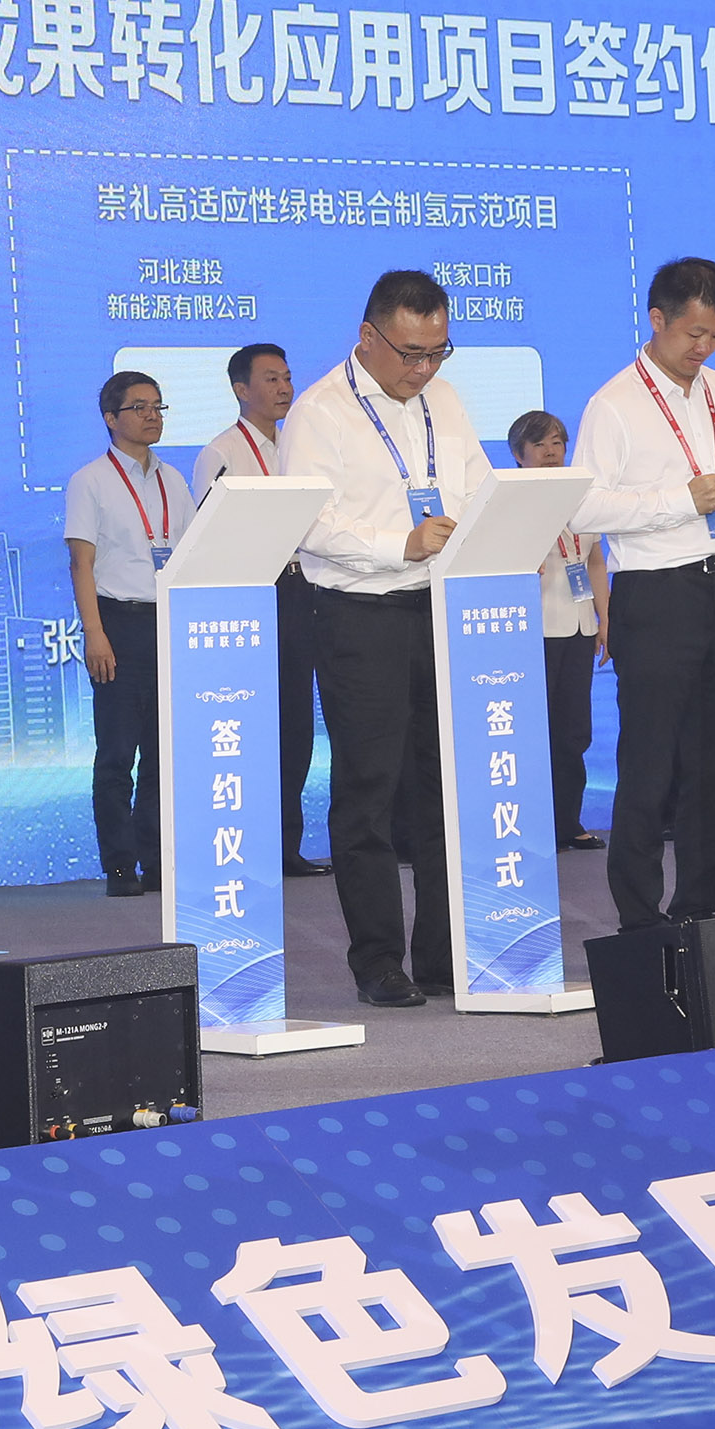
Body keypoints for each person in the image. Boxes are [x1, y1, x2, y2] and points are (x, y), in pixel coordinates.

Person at [282, 271, 492, 1005]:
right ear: (368, 336)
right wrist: (397, 544)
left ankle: (440, 951)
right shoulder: (319, 412)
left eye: (438, 352)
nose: (424, 368)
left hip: (441, 609)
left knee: (442, 786)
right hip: (358, 614)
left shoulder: (446, 400)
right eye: (410, 353)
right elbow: (309, 521)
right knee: (368, 790)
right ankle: (376, 960)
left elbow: (478, 485)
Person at [573, 257, 715, 932]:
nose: (704, 348)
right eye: (694, 333)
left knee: (713, 762)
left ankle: (700, 907)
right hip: (655, 595)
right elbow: (585, 506)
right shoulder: (614, 403)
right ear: (657, 319)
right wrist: (677, 501)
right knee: (650, 762)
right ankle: (639, 915)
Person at [190, 342, 327, 877]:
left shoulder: (302, 446)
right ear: (240, 389)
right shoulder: (221, 453)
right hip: (251, 592)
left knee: (296, 721)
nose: (285, 388)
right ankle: (247, 844)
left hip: (304, 587)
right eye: (271, 379)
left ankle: (287, 845)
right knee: (252, 723)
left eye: (288, 377)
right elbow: (212, 537)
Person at [65, 370, 196, 898]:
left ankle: (158, 860)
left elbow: (189, 555)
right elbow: (81, 563)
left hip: (166, 621)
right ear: (110, 418)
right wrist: (94, 633)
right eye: (139, 407)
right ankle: (120, 864)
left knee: (164, 753)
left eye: (158, 406)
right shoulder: (90, 480)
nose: (151, 416)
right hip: (117, 622)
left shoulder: (174, 480)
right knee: (118, 753)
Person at [507, 411, 608, 853]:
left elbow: (594, 560)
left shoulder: (581, 494)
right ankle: (530, 823)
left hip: (580, 625)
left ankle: (567, 821)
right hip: (536, 628)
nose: (551, 452)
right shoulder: (510, 499)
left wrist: (605, 619)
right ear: (519, 454)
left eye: (557, 443)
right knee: (534, 731)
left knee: (573, 730)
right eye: (540, 445)